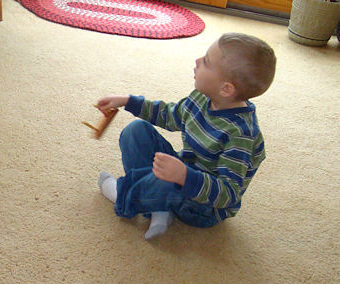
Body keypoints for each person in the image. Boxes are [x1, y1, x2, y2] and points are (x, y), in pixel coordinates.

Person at [95, 32, 276, 240]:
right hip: (186, 169)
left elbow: (228, 193)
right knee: (135, 132)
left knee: (165, 181)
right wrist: (128, 101)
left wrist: (184, 177)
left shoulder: (241, 135)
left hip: (205, 206)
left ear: (226, 89)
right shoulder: (202, 97)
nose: (198, 61)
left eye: (206, 62)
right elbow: (170, 115)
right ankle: (159, 208)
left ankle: (123, 196)